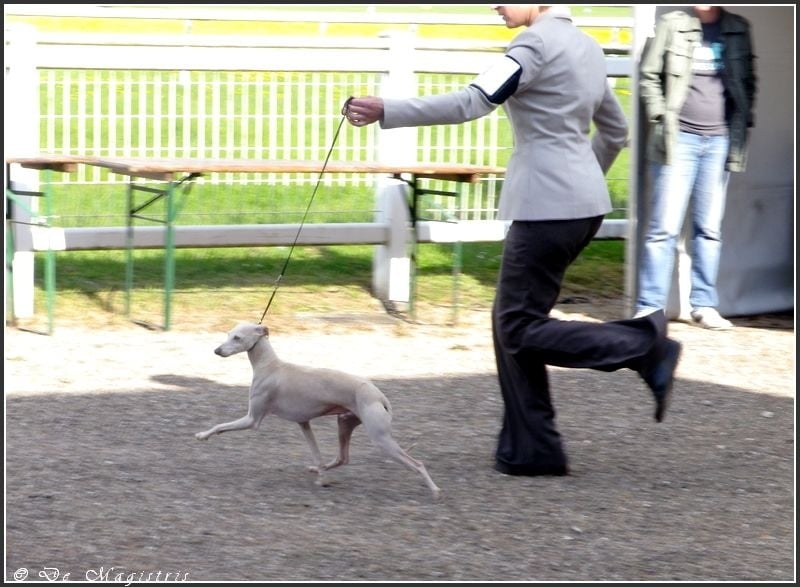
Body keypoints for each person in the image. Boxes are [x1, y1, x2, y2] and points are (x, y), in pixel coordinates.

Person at [344, 5, 682, 478]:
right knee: (512, 322)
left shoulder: (533, 44)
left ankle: (643, 345)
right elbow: (616, 131)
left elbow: (474, 101)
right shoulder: (588, 46)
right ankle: (531, 449)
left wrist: (388, 109)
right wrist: (583, 182)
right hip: (581, 205)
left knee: (517, 327)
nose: (495, 5)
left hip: (546, 207)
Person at [635, 6, 758, 330]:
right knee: (663, 229)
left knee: (709, 229)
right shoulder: (672, 24)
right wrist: (659, 115)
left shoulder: (739, 27)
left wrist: (744, 117)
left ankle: (704, 305)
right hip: (678, 140)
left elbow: (748, 81)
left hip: (720, 141)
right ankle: (649, 307)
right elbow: (649, 75)